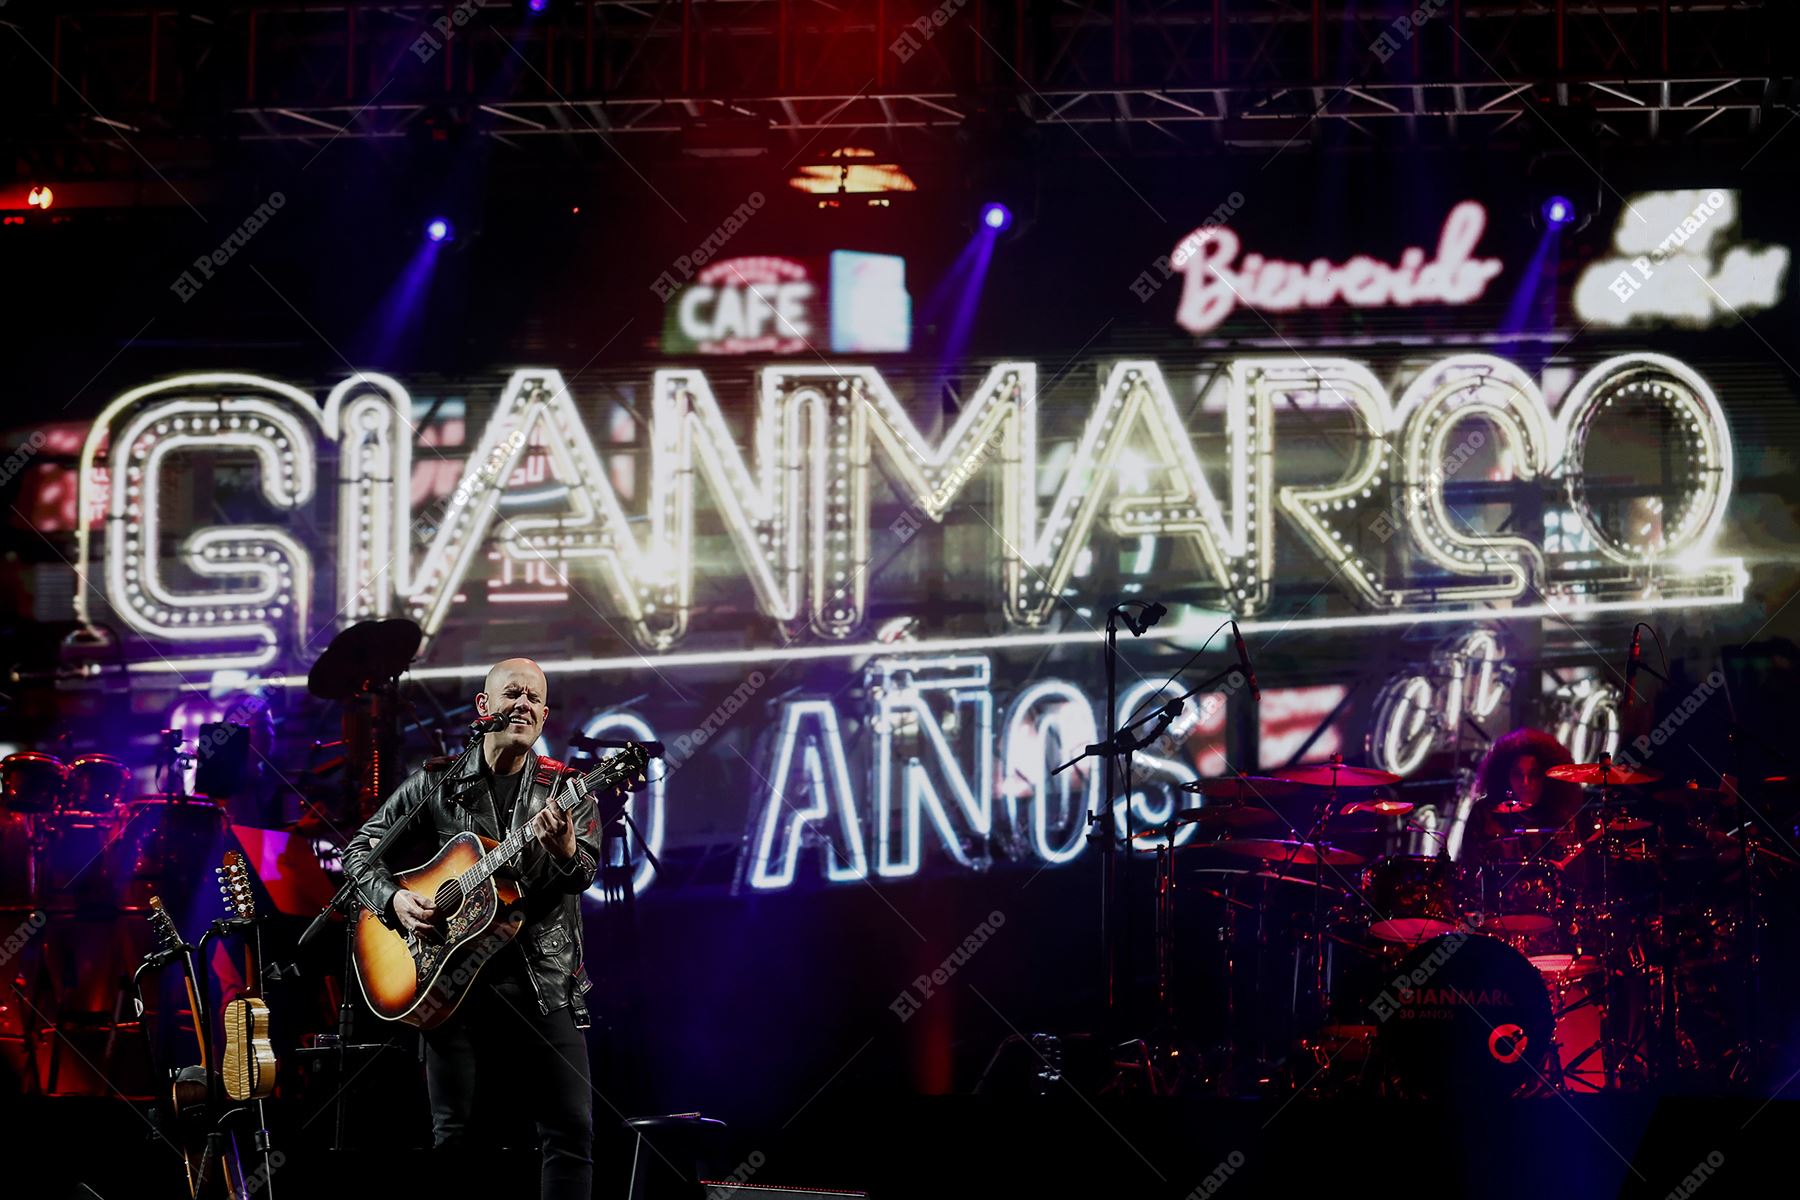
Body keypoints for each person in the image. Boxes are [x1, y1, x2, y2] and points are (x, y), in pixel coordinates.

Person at [344, 657, 601, 1200]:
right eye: (514, 693)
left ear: (545, 714)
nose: (525, 705)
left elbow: (583, 874)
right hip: (450, 979)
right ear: (484, 708)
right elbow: (360, 849)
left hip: (543, 981)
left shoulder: (567, 788)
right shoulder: (438, 782)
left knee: (569, 1135)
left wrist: (566, 850)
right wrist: (394, 900)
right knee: (455, 1139)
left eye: (535, 698)